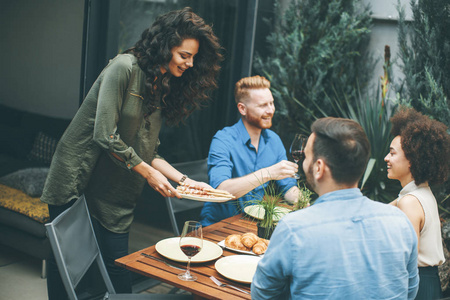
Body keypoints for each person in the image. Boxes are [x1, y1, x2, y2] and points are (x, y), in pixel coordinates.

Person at [41, 7, 223, 299]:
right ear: (165, 47)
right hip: (76, 172)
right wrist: (148, 173)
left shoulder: (159, 84)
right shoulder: (124, 67)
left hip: (109, 183)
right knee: (67, 256)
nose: (189, 64)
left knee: (114, 262)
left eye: (193, 58)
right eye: (184, 55)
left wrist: (185, 181)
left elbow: (149, 150)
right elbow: (104, 134)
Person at [251, 117, 420, 299]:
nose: (303, 163)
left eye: (306, 156)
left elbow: (262, 294)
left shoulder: (293, 229)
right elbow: (410, 291)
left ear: (319, 168)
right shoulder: (401, 223)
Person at [199, 75, 300, 227]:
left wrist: (303, 202)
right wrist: (268, 173)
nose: (270, 110)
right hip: (217, 227)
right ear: (242, 109)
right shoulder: (223, 139)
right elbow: (221, 190)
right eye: (262, 105)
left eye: (272, 103)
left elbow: (288, 187)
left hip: (253, 226)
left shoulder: (274, 140)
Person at [384, 107, 449, 300]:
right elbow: (379, 211)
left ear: (411, 160)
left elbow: (407, 262)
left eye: (392, 153)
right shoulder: (421, 193)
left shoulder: (410, 202)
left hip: (417, 286)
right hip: (428, 282)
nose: (386, 158)